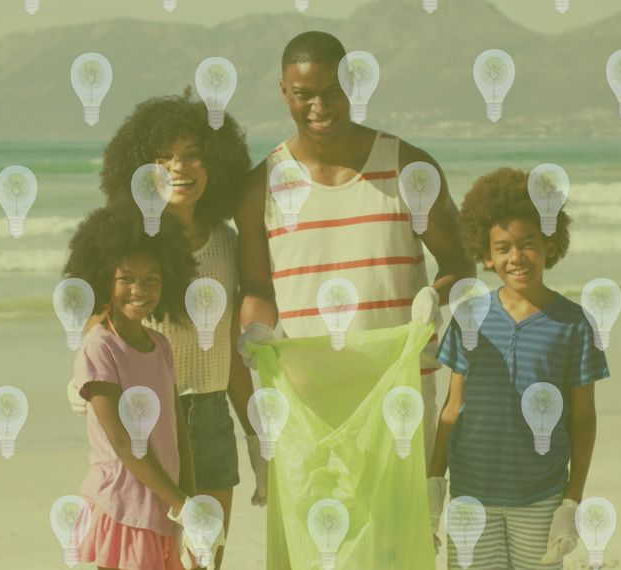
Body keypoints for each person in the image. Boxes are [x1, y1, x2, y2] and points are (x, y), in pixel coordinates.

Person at [233, 31, 476, 568]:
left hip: (400, 390)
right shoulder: (260, 187)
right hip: (305, 401)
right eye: (304, 94)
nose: (319, 107)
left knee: (394, 540)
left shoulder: (409, 168)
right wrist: (256, 331)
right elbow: (256, 290)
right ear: (283, 93)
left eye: (332, 91)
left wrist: (434, 301)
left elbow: (461, 264)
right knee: (321, 546)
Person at [67, 90, 265, 569]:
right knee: (145, 556)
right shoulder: (131, 244)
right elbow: (101, 328)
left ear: (215, 164)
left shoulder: (227, 242)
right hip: (145, 422)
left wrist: (256, 434)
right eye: (163, 158)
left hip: (212, 415)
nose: (180, 168)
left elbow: (231, 351)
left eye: (193, 155)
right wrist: (83, 387)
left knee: (205, 558)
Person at [428, 168, 611, 569]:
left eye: (528, 244)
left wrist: (572, 501)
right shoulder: (469, 316)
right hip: (470, 498)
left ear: (549, 242)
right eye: (503, 247)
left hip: (540, 498)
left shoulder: (575, 324)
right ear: (486, 255)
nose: (516, 257)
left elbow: (583, 419)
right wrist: (433, 485)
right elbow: (451, 408)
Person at [64, 207, 200, 570]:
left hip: (165, 504)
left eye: (152, 279)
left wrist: (190, 498)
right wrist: (182, 505)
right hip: (126, 504)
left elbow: (177, 428)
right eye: (126, 278)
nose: (139, 290)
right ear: (104, 279)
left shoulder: (161, 346)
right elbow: (123, 443)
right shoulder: (99, 347)